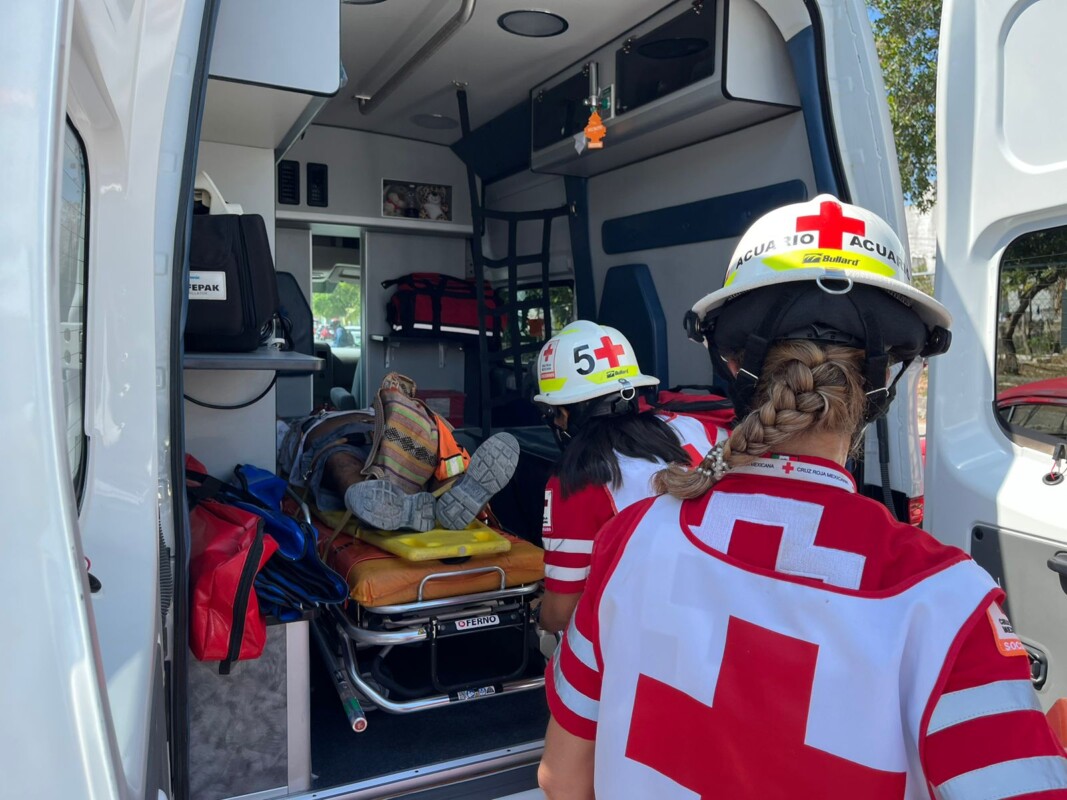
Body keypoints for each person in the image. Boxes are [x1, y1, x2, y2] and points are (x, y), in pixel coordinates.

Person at [539, 196, 1067, 799]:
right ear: (883, 382)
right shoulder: (945, 602)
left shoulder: (629, 540)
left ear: (731, 361)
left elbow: (560, 778)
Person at [533, 320, 730, 633]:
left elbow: (561, 613)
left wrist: (535, 615)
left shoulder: (579, 479)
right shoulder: (700, 426)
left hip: (654, 637)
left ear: (565, 411)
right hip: (730, 617)